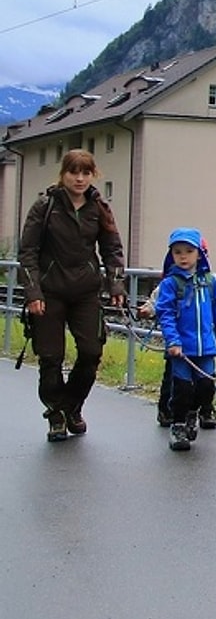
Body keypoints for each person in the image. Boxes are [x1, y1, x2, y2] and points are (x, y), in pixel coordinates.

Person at [17, 149, 127, 442]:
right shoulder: (45, 206)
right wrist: (33, 291)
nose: (79, 179)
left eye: (86, 173)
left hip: (86, 292)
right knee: (51, 358)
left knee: (91, 353)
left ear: (93, 175)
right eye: (73, 172)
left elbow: (112, 249)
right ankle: (55, 413)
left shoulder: (99, 208)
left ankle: (72, 406)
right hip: (49, 293)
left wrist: (116, 284)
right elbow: (27, 252)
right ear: (63, 174)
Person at [156, 227, 216, 452]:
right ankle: (178, 425)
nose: (183, 256)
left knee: (206, 387)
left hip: (206, 348)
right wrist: (173, 341)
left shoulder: (210, 282)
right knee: (181, 389)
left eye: (188, 251)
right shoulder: (171, 284)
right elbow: (166, 314)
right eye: (178, 252)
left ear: (199, 254)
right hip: (181, 350)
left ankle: (194, 413)